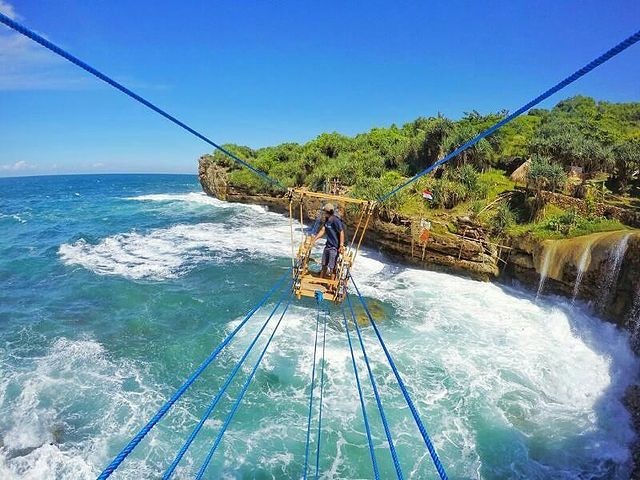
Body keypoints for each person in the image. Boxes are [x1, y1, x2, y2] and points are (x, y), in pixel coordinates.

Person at [313, 203, 345, 278]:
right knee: (324, 265)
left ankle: (331, 286)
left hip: (334, 248)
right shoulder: (327, 220)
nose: (323, 213)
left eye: (324, 212)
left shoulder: (336, 221)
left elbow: (341, 232)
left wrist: (341, 245)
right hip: (328, 246)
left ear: (328, 212)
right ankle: (320, 280)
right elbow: (323, 230)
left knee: (332, 267)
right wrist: (314, 239)